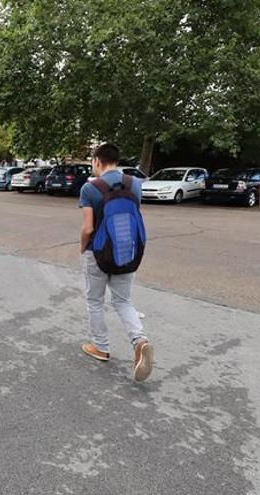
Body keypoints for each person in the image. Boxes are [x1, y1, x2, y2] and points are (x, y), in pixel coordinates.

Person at [78, 143, 153, 382]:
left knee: (94, 300)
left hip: (97, 253)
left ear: (97, 161)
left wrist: (82, 247)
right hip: (126, 251)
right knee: (123, 300)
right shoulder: (135, 185)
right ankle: (140, 342)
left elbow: (88, 227)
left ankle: (100, 347)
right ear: (117, 161)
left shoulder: (90, 188)